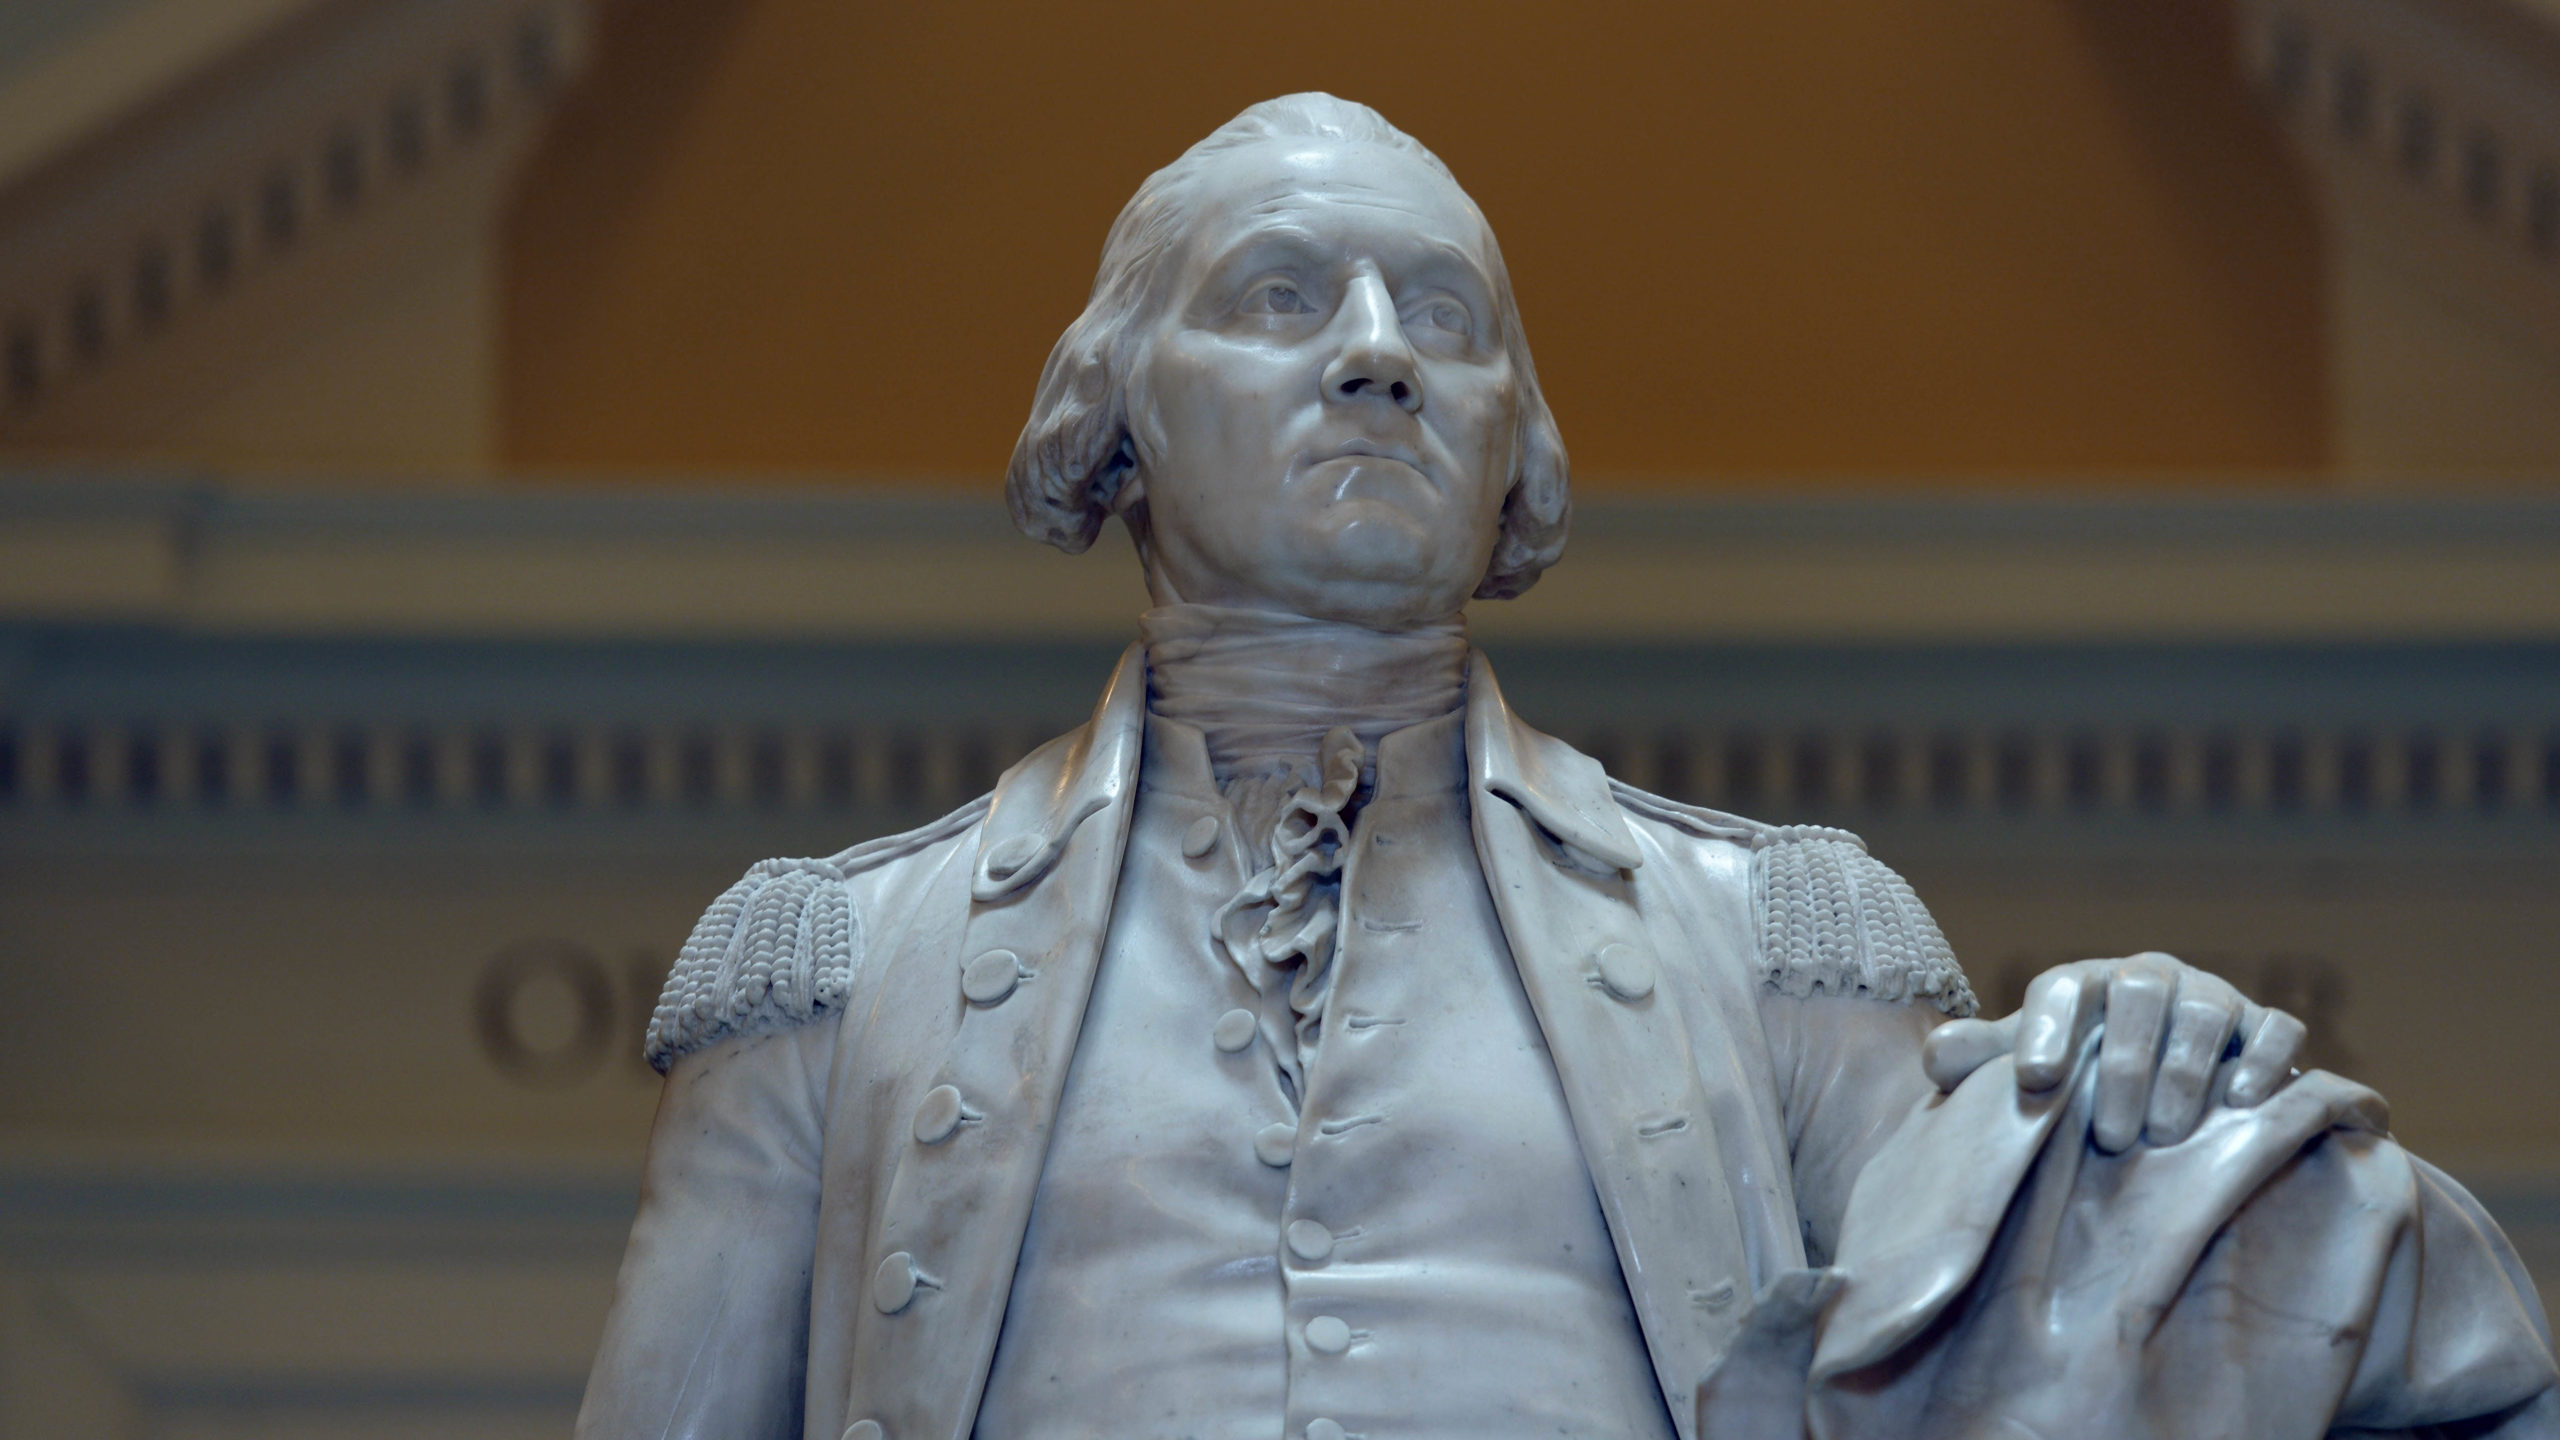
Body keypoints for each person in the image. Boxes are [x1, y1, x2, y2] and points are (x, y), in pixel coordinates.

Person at [577, 94, 2557, 1440]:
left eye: (1441, 318)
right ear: (1108, 407)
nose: (1374, 355)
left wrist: (2140, 1137)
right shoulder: (834, 970)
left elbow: (1989, 1380)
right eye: (1279, 299)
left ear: (1515, 441)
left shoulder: (1780, 938)